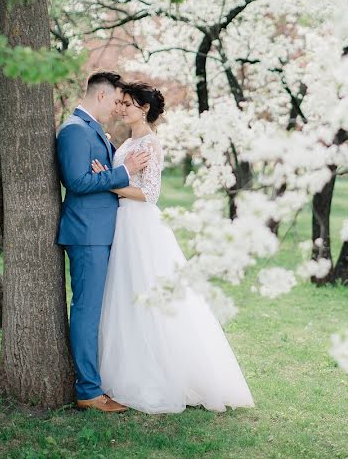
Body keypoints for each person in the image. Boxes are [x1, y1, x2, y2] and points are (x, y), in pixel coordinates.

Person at [93, 81, 255, 413]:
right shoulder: (129, 141)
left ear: (145, 108)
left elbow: (149, 193)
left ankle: (163, 373)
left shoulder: (150, 143)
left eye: (128, 104)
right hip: (125, 224)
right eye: (120, 103)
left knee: (147, 294)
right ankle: (128, 366)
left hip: (140, 225)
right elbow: (128, 176)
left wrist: (108, 185)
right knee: (127, 296)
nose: (121, 108)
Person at [56, 72, 151, 412]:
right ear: (101, 95)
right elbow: (79, 181)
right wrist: (123, 171)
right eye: (115, 101)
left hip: (104, 232)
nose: (117, 108)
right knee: (87, 310)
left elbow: (99, 174)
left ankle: (101, 380)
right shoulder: (73, 131)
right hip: (87, 235)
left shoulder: (94, 130)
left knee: (101, 311)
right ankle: (89, 391)